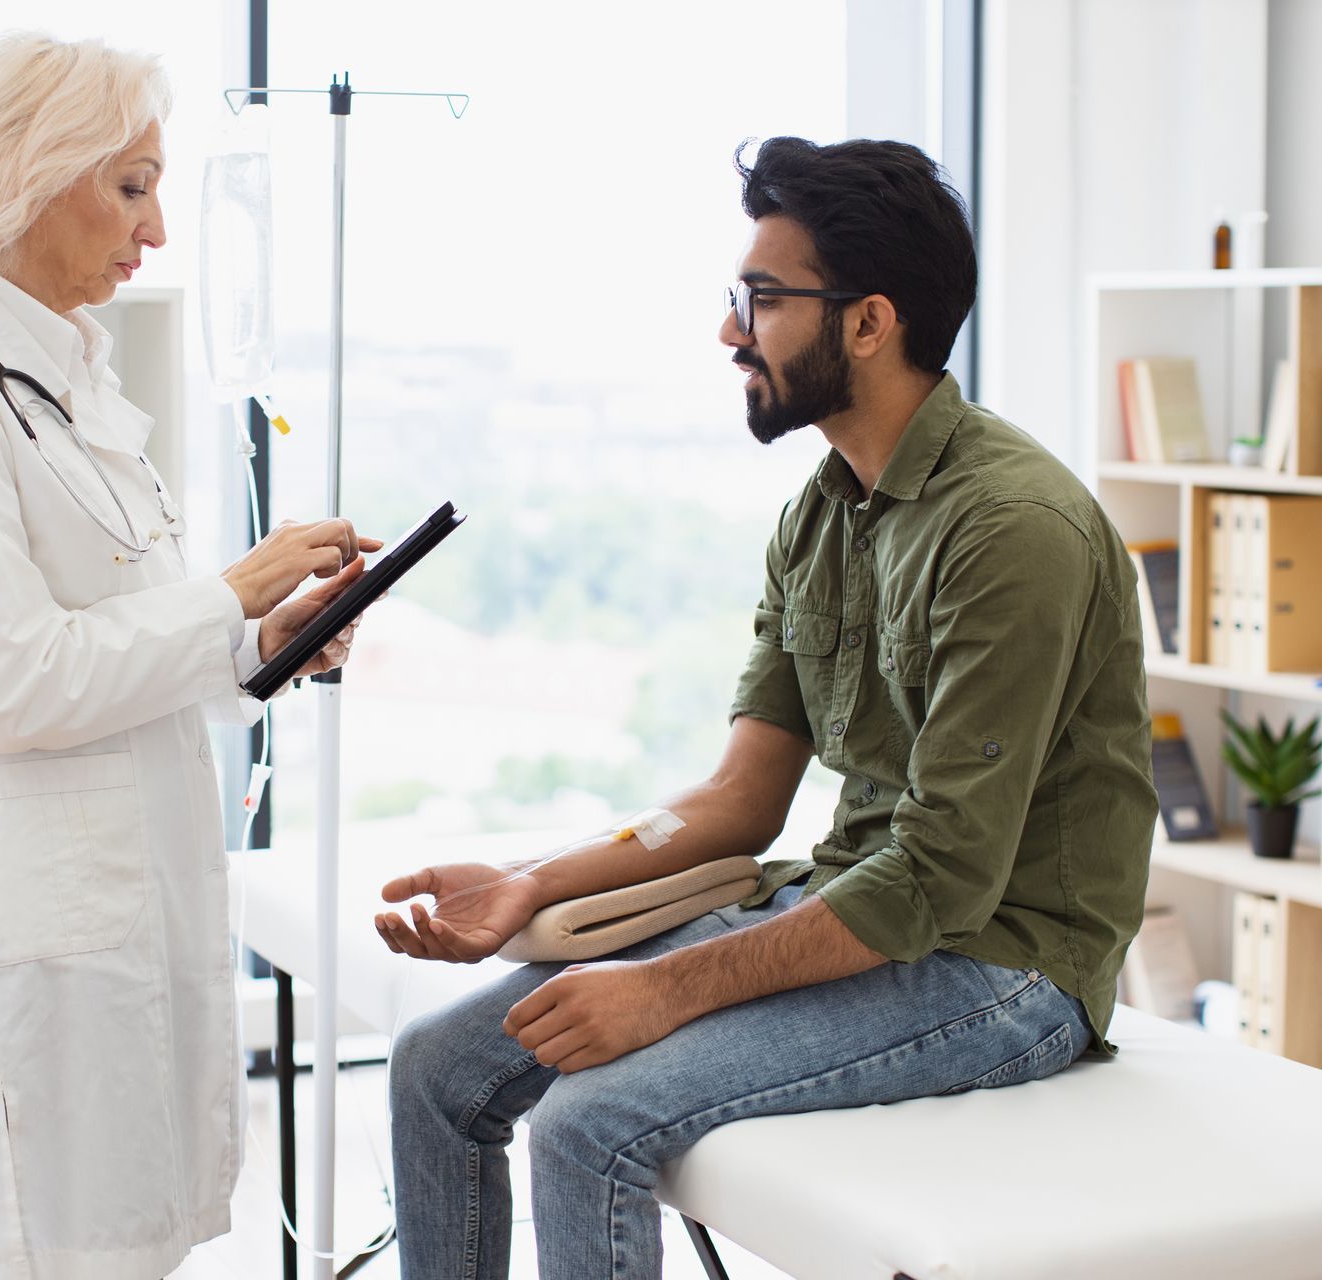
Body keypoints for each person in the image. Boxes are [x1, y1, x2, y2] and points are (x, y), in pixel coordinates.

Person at [374, 136, 1156, 1278]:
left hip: (1004, 967)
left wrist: (663, 987)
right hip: (856, 909)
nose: (731, 329)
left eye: (763, 297)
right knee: (431, 1066)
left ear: (868, 322)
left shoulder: (1011, 529)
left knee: (587, 1121)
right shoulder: (821, 512)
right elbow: (742, 798)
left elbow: (944, 875)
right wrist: (533, 882)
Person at [0, 33, 379, 1280]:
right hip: (37, 933)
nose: (159, 230)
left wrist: (260, 646)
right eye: (131, 186)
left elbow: (118, 644)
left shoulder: (67, 377)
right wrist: (229, 588)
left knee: (130, 1249)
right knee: (52, 1250)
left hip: (128, 917)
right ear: (35, 173)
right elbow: (12, 685)